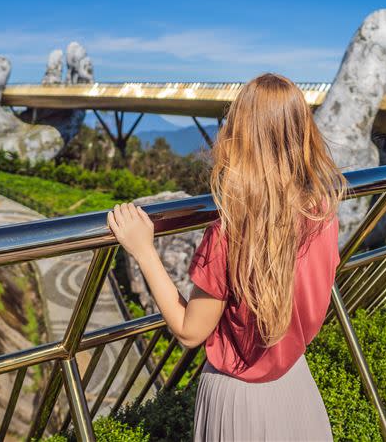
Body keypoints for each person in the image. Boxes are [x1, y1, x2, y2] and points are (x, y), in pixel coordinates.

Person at [107, 72, 348, 441]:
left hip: (239, 401)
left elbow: (190, 331)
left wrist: (143, 250)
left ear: (240, 137)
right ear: (303, 133)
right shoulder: (322, 213)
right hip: (296, 385)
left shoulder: (230, 234)